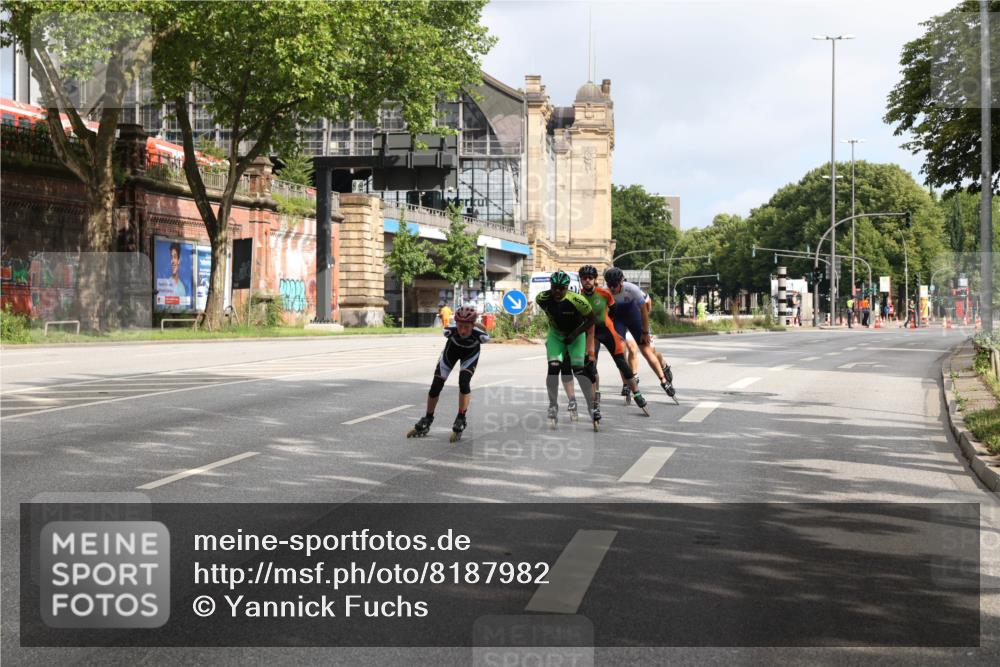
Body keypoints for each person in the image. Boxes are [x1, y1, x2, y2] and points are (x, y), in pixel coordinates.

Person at [408, 305, 489, 442]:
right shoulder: (449, 331)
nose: (462, 331)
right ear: (456, 324)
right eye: (460, 326)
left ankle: (461, 417)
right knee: (436, 385)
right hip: (451, 352)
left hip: (470, 354)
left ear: (473, 325)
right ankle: (428, 418)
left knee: (464, 382)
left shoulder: (481, 336)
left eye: (467, 327)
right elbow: (453, 328)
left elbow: (483, 331)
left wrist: (477, 326)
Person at [578, 265, 649, 416]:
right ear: (581, 280)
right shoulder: (578, 297)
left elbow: (613, 310)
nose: (587, 280)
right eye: (584, 278)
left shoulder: (605, 293)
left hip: (607, 331)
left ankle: (637, 393)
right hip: (591, 334)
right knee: (590, 365)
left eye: (590, 278)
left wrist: (608, 322)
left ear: (595, 279)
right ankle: (595, 397)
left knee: (622, 363)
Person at [535, 270, 599, 428]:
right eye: (554, 287)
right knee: (553, 368)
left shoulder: (578, 300)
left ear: (567, 287)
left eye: (561, 288)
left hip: (576, 335)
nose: (557, 291)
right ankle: (553, 405)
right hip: (556, 336)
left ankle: (592, 406)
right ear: (550, 286)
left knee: (579, 370)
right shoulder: (541, 298)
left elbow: (592, 319)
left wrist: (575, 334)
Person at [604, 267, 676, 400]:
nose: (612, 288)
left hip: (634, 318)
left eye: (614, 285)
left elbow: (644, 311)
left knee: (647, 351)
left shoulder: (632, 289)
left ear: (621, 282)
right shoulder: (605, 291)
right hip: (618, 320)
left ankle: (663, 380)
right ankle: (626, 383)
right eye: (609, 285)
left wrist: (645, 331)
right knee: (620, 354)